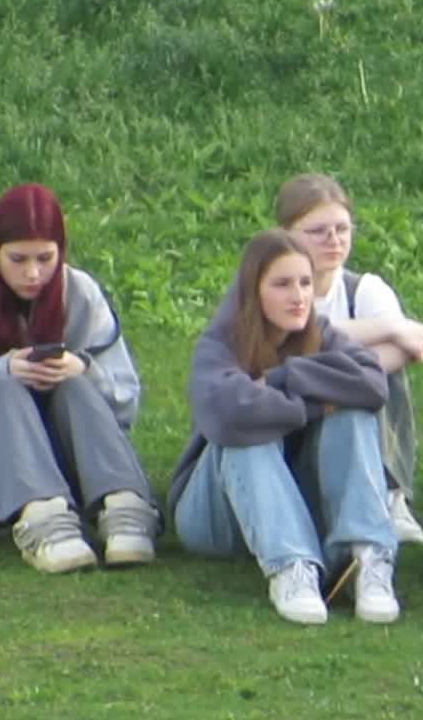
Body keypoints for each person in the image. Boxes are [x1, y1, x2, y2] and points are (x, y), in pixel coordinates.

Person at [0, 183, 158, 572]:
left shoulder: (80, 292)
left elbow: (126, 402)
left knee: (74, 382)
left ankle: (124, 507)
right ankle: (43, 522)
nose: (33, 273)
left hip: (72, 457)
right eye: (18, 259)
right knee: (5, 388)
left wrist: (84, 369)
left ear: (61, 252)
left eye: (45, 258)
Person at [166, 229, 401, 626]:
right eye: (282, 284)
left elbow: (373, 384)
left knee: (353, 413)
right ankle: (291, 568)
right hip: (216, 516)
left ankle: (368, 557)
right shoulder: (220, 343)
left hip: (296, 501)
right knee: (249, 432)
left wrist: (283, 378)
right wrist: (318, 403)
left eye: (306, 283)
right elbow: (233, 411)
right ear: (253, 290)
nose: (298, 296)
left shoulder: (321, 334)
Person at [276, 174, 423, 545]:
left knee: (381, 378)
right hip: (292, 421)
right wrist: (387, 328)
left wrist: (323, 366)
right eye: (318, 231)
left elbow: (408, 347)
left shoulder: (363, 289)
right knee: (362, 372)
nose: (334, 240)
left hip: (342, 411)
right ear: (285, 235)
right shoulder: (271, 289)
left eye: (342, 229)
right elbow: (283, 346)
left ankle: (390, 494)